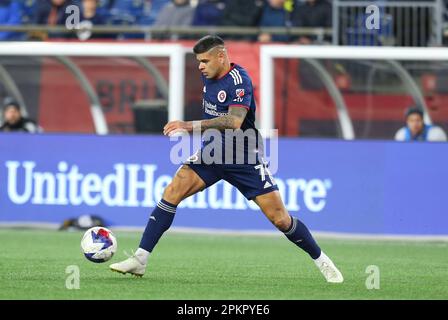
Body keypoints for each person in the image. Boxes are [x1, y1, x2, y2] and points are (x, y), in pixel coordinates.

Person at [110, 35, 343, 283]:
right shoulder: (207, 75)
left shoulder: (239, 81)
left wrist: (187, 125)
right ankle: (140, 259)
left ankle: (322, 261)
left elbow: (233, 122)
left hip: (244, 156)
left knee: (280, 219)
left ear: (221, 56)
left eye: (204, 61)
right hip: (212, 152)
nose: (200, 66)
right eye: (198, 61)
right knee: (173, 191)